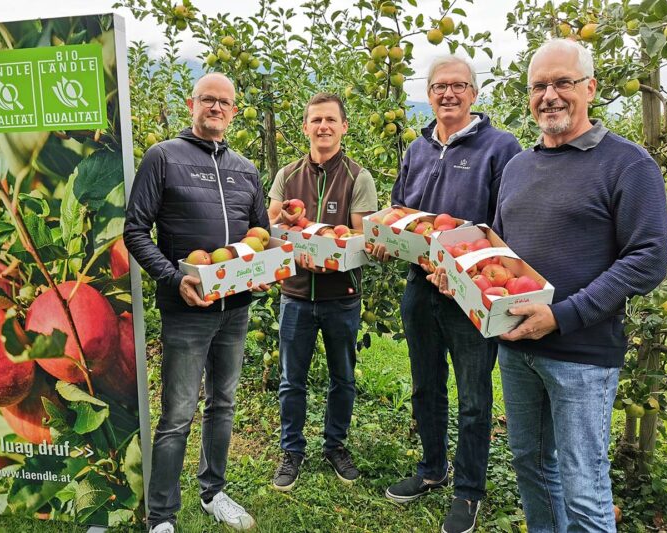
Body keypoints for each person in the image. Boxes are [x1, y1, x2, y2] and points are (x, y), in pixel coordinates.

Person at [492, 39, 667, 531]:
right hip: (517, 347)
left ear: (590, 88)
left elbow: (649, 258)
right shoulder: (517, 167)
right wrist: (464, 280)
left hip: (583, 355)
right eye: (539, 86)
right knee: (531, 465)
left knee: (583, 486)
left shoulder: (628, 165)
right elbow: (501, 254)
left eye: (562, 83)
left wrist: (563, 315)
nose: (549, 95)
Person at [375, 56, 521, 533]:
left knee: (475, 396)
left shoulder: (502, 147)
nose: (448, 94)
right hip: (421, 285)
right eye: (439, 86)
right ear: (429, 92)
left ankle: (470, 490)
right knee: (425, 384)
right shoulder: (417, 148)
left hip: (472, 292)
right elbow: (403, 211)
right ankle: (433, 468)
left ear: (474, 93)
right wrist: (385, 234)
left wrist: (462, 266)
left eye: (458, 86)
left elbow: (506, 226)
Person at [124, 73, 269, 533]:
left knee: (223, 403)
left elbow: (258, 236)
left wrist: (261, 272)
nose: (217, 108)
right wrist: (172, 277)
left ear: (234, 111)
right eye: (209, 99)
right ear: (192, 103)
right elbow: (135, 229)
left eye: (226, 102)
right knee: (178, 413)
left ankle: (213, 491)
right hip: (187, 309)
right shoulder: (164, 157)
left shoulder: (246, 167)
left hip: (236, 308)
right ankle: (161, 515)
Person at [267, 93, 377, 492]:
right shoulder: (287, 175)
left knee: (342, 377)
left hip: (341, 295)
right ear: (305, 127)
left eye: (331, 119)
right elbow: (272, 227)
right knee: (290, 379)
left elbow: (360, 238)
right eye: (316, 120)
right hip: (295, 293)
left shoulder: (358, 177)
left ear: (344, 126)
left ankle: (335, 445)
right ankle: (292, 450)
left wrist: (326, 255)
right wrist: (298, 250)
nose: (323, 126)